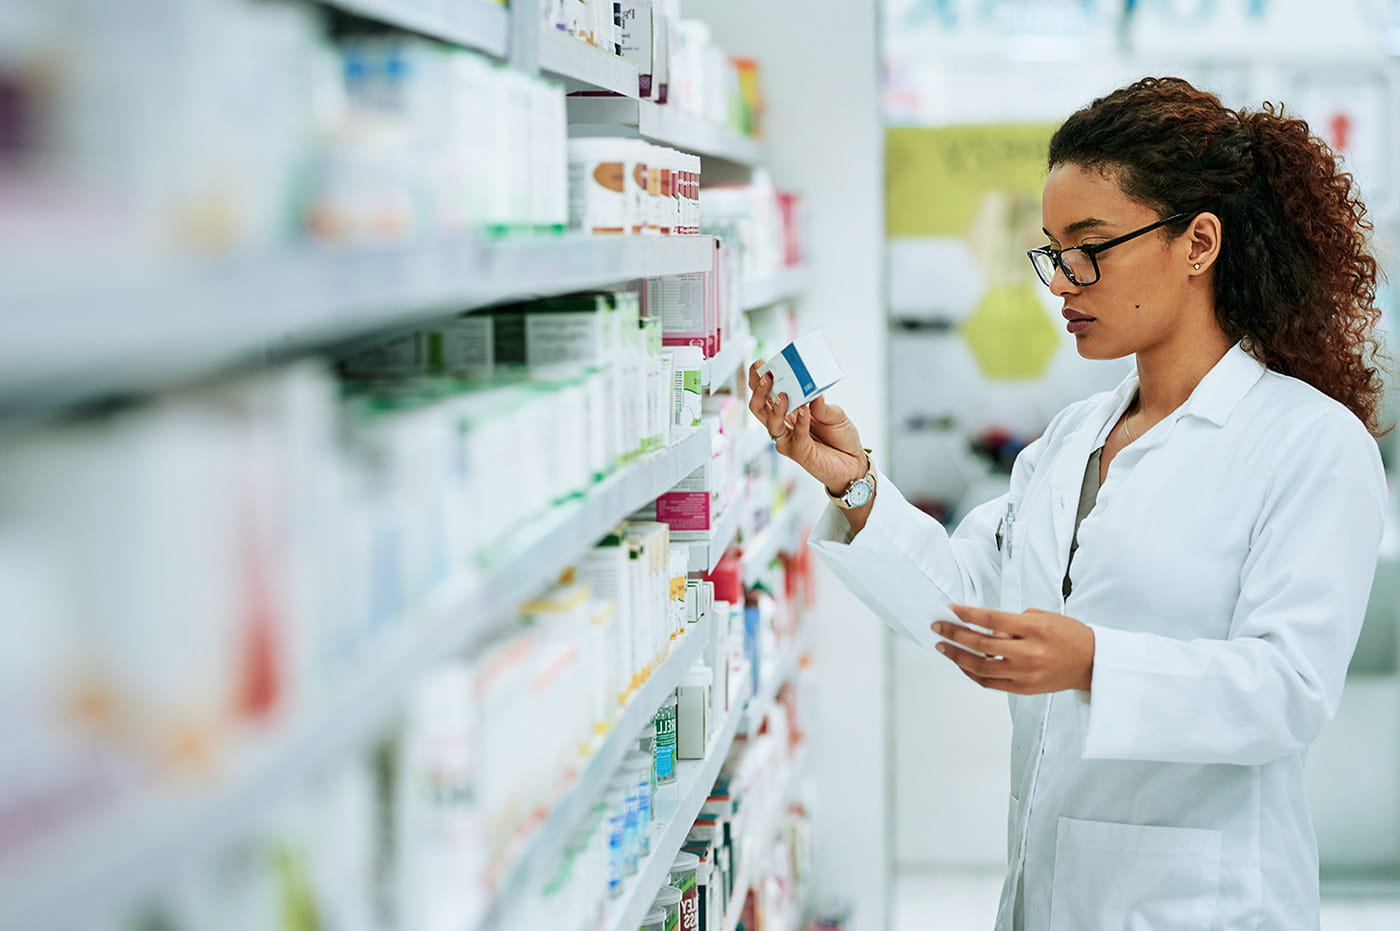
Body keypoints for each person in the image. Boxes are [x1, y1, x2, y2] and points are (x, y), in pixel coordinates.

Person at [747, 76, 1389, 929]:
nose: (1062, 283)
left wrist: (1094, 662)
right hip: (1046, 893)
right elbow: (966, 600)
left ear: (1199, 243)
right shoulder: (1070, 440)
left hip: (1208, 903)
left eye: (1089, 246)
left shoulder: (1309, 443)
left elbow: (1287, 689)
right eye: (1051, 250)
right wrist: (852, 482)